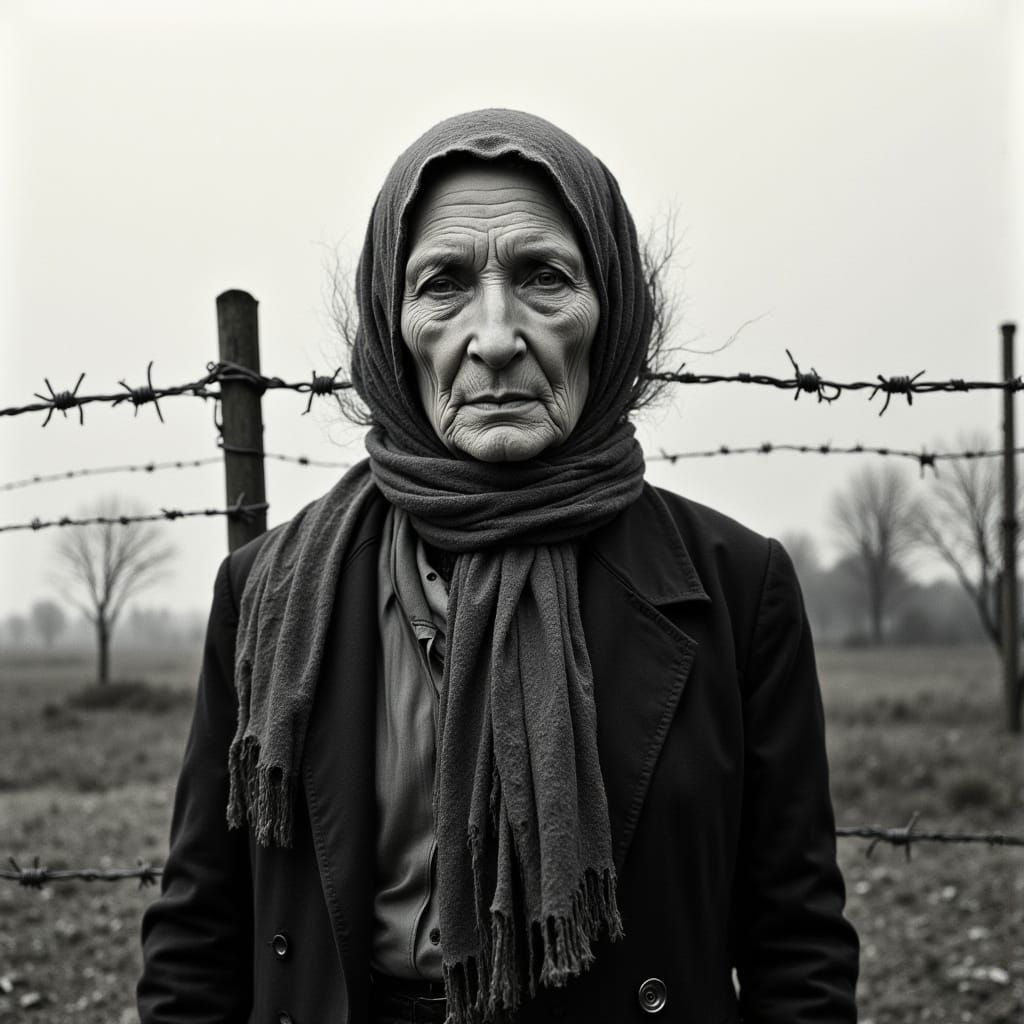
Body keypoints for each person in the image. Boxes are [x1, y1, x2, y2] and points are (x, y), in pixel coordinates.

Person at [138, 108, 859, 1024]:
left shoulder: (736, 588)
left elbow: (797, 947)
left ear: (614, 313)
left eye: (544, 278)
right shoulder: (269, 591)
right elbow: (199, 936)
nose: (493, 337)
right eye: (442, 285)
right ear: (390, 327)